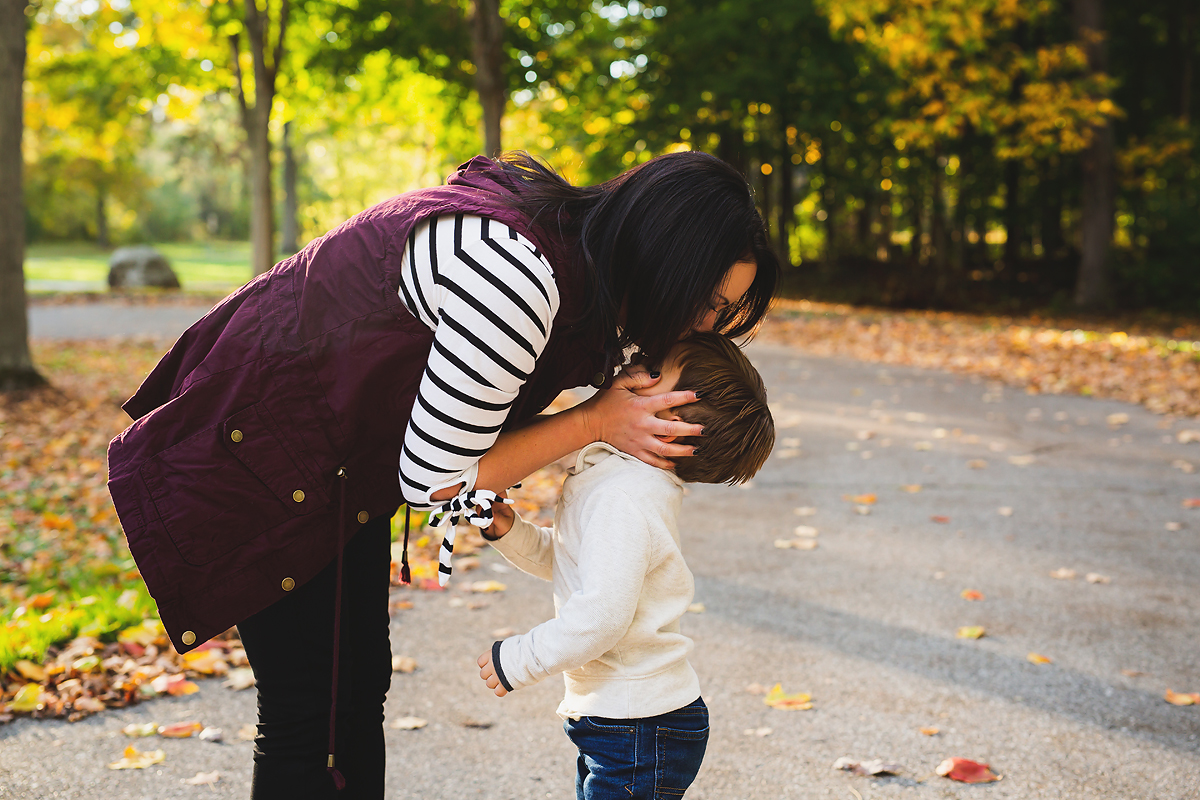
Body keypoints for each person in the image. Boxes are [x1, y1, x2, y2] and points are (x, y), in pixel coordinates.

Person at [106, 152, 778, 798]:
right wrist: (593, 422)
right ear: (668, 259)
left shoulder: (575, 263)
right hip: (260, 452)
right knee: (313, 711)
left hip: (332, 466)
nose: (707, 327)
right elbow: (435, 479)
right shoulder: (521, 281)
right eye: (711, 304)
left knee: (352, 689)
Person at [475, 332, 775, 800]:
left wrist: (521, 659)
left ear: (670, 423)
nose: (635, 364)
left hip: (640, 729)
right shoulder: (617, 479)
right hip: (625, 723)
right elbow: (575, 564)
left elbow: (600, 617)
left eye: (654, 369)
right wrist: (510, 532)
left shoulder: (626, 497)